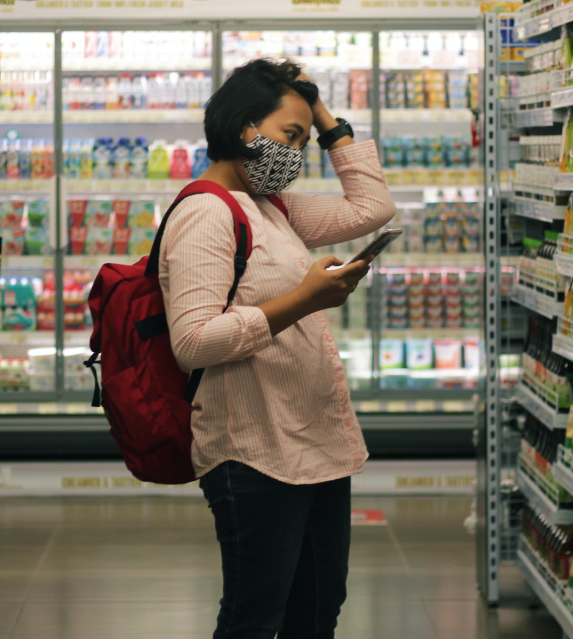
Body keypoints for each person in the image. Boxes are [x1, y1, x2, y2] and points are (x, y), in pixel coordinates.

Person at [157, 58, 397, 638]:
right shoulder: (206, 213)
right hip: (253, 452)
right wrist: (307, 300)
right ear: (246, 129)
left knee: (317, 608)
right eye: (290, 136)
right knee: (255, 617)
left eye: (303, 141)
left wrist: (316, 110)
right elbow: (192, 342)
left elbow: (373, 208)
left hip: (313, 444)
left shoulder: (271, 208)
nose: (297, 151)